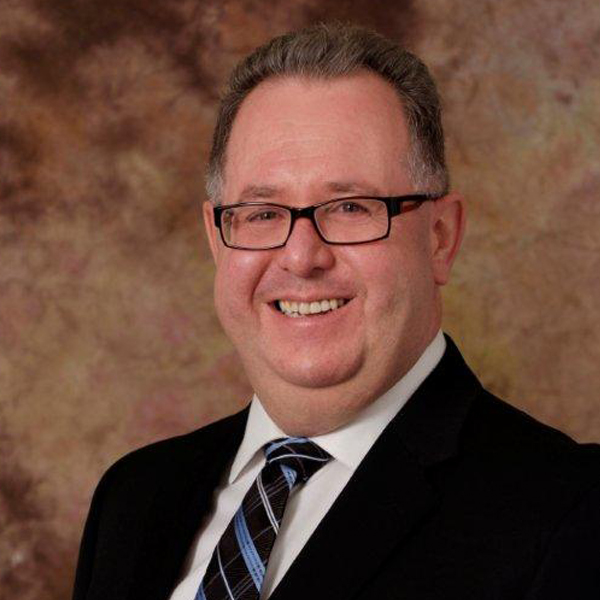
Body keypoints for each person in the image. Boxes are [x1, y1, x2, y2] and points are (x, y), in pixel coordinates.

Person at [72, 23, 600, 600]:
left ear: (440, 238)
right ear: (217, 239)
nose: (302, 257)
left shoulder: (571, 513)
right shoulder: (134, 498)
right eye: (263, 213)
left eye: (351, 207)